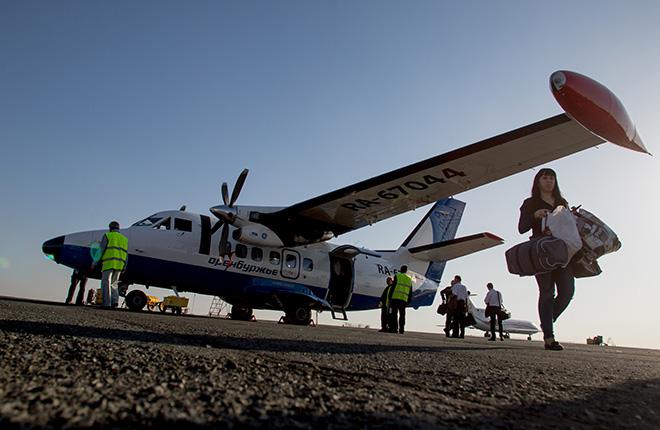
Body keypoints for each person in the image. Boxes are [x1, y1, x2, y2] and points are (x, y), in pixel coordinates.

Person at [518, 168, 574, 351]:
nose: (549, 181)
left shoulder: (562, 202)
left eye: (552, 178)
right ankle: (549, 338)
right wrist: (535, 215)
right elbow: (521, 228)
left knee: (567, 292)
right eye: (545, 177)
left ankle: (547, 322)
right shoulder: (530, 202)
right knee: (547, 292)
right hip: (541, 251)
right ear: (538, 181)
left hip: (562, 250)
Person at [93, 221, 129, 309]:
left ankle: (106, 303)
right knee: (114, 284)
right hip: (119, 265)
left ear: (110, 228)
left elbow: (101, 250)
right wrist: (125, 266)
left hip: (109, 263)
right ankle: (115, 302)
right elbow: (126, 254)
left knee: (106, 283)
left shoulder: (107, 235)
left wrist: (94, 262)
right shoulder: (124, 239)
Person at [388, 265, 413, 334]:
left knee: (394, 314)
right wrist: (409, 300)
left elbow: (393, 287)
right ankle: (401, 329)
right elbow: (410, 291)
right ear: (406, 271)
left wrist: (390, 296)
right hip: (403, 300)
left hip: (395, 298)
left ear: (400, 269)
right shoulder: (409, 279)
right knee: (402, 315)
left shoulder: (397, 276)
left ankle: (394, 328)